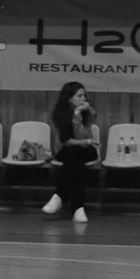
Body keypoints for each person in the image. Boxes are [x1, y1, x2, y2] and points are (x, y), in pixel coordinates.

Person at [42, 82, 99, 224]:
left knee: (75, 154)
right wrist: (76, 115)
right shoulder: (60, 113)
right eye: (79, 96)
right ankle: (78, 209)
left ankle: (59, 195)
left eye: (84, 95)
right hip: (68, 150)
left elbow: (81, 135)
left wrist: (78, 114)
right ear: (69, 98)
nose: (84, 99)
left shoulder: (89, 112)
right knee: (75, 160)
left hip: (87, 150)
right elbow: (66, 140)